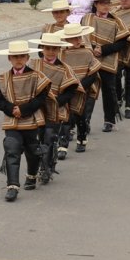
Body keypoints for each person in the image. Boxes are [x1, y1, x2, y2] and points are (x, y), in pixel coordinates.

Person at [0, 41, 51, 202]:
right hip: (12, 121)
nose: (18, 60)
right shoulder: (3, 78)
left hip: (31, 119)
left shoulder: (37, 76)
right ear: (9, 58)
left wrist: (24, 109)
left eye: (21, 56)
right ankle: (12, 186)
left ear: (27, 57)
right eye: (15, 57)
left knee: (32, 151)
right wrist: (12, 109)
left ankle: (31, 175)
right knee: (11, 147)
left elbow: (41, 98)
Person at [27, 33, 84, 183]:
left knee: (50, 137)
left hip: (56, 109)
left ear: (58, 50)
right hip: (35, 109)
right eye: (47, 48)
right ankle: (38, 165)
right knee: (37, 138)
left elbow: (72, 90)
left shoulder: (65, 69)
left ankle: (46, 168)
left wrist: (56, 102)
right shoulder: (32, 65)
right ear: (42, 48)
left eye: (54, 49)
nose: (51, 51)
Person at [81, 0, 129, 132]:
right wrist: (92, 49)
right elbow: (81, 37)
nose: (105, 6)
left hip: (108, 60)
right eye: (102, 3)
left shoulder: (116, 21)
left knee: (109, 90)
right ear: (96, 5)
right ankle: (85, 122)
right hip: (89, 60)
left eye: (107, 3)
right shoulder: (86, 19)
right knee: (88, 91)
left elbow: (122, 43)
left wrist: (103, 49)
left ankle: (109, 120)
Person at [56, 24, 100, 155]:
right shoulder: (61, 54)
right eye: (73, 38)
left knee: (81, 116)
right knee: (65, 117)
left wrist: (80, 87)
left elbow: (93, 73)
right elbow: (59, 73)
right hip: (67, 89)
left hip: (84, 89)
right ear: (66, 39)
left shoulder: (87, 52)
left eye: (78, 37)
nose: (77, 40)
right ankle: (62, 145)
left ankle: (82, 138)